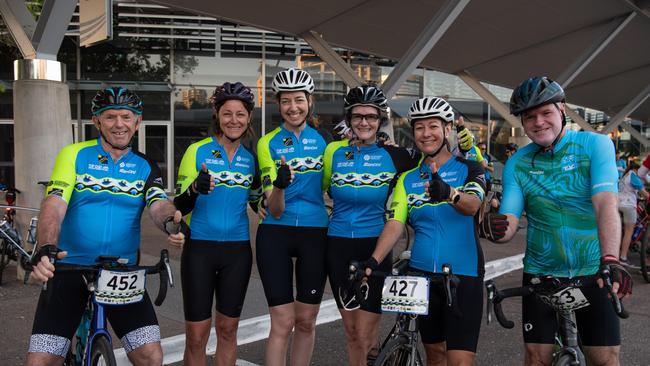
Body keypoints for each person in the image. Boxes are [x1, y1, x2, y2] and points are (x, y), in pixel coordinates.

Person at [27, 86, 185, 366]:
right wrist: (46, 247)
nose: (119, 124)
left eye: (126, 116)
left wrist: (173, 221)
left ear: (138, 121)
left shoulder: (145, 165)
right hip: (68, 267)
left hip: (121, 273)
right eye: (110, 117)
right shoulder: (74, 155)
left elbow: (158, 204)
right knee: (40, 360)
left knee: (151, 356)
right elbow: (54, 204)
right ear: (96, 121)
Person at [480, 76, 632, 366]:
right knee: (537, 358)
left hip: (593, 270)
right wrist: (494, 227)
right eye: (529, 117)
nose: (538, 122)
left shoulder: (594, 145)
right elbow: (509, 222)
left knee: (604, 359)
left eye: (546, 112)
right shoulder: (518, 163)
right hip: (542, 273)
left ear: (562, 109)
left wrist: (611, 259)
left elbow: (605, 204)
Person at [363, 96, 486, 365]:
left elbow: (473, 205)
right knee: (435, 355)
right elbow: (395, 222)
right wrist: (373, 260)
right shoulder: (408, 179)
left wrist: (450, 194)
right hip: (421, 277)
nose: (426, 133)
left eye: (433, 126)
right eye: (420, 127)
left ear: (447, 129)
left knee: (459, 361)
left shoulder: (470, 169)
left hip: (463, 276)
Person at [322, 84, 419, 365]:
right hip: (337, 245)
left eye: (371, 117)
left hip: (374, 247)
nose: (364, 122)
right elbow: (321, 186)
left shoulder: (397, 156)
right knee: (352, 332)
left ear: (380, 120)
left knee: (365, 333)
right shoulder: (333, 152)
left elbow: (435, 159)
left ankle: (374, 353)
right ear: (349, 119)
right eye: (358, 116)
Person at [174, 82, 262, 366]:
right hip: (200, 249)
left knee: (228, 330)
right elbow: (178, 206)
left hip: (237, 252)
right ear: (217, 114)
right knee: (197, 336)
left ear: (248, 117)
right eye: (227, 114)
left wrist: (281, 194)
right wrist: (194, 189)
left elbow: (258, 203)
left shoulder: (251, 161)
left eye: (240, 114)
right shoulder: (197, 151)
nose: (233, 120)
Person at [256, 68, 328, 366]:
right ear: (278, 104)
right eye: (286, 101)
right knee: (283, 322)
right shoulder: (266, 143)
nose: (293, 107)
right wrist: (279, 185)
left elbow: (332, 187)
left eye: (299, 99)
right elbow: (274, 209)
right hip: (276, 232)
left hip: (315, 232)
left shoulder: (326, 142)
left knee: (307, 321)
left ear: (310, 101)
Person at [618, 161, 647, 268]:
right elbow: (643, 192)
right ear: (636, 169)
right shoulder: (633, 176)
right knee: (628, 232)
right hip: (628, 205)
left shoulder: (625, 175)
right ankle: (623, 258)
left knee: (620, 230)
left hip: (618, 204)